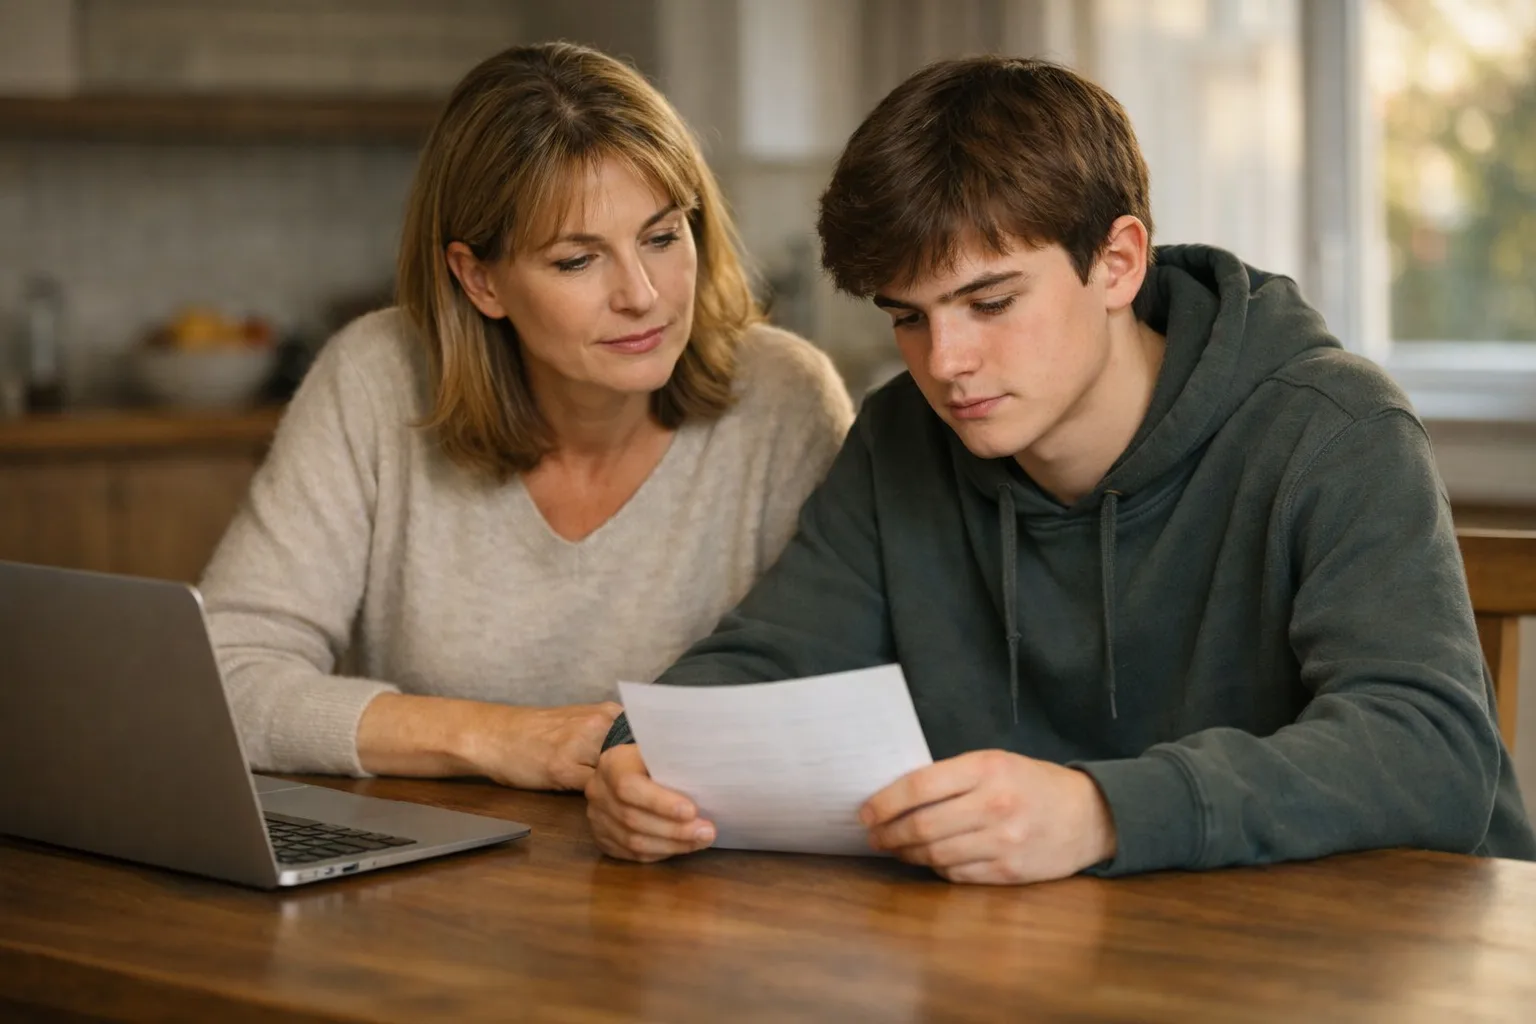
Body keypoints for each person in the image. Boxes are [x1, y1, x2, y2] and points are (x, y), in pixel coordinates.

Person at [585, 55, 1536, 881]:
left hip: (1392, 956)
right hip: (1067, 951)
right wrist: (645, 757)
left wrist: (1102, 811)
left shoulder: (1332, 429)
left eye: (990, 302)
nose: (944, 363)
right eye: (907, 317)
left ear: (1118, 263)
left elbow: (1431, 750)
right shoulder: (902, 436)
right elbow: (769, 659)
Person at [199, 42, 853, 792]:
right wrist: (498, 739)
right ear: (479, 280)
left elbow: (833, 705)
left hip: (690, 875)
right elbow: (224, 676)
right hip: (421, 882)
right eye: (578, 260)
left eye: (663, 237)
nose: (642, 294)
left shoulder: (784, 397)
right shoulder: (374, 378)